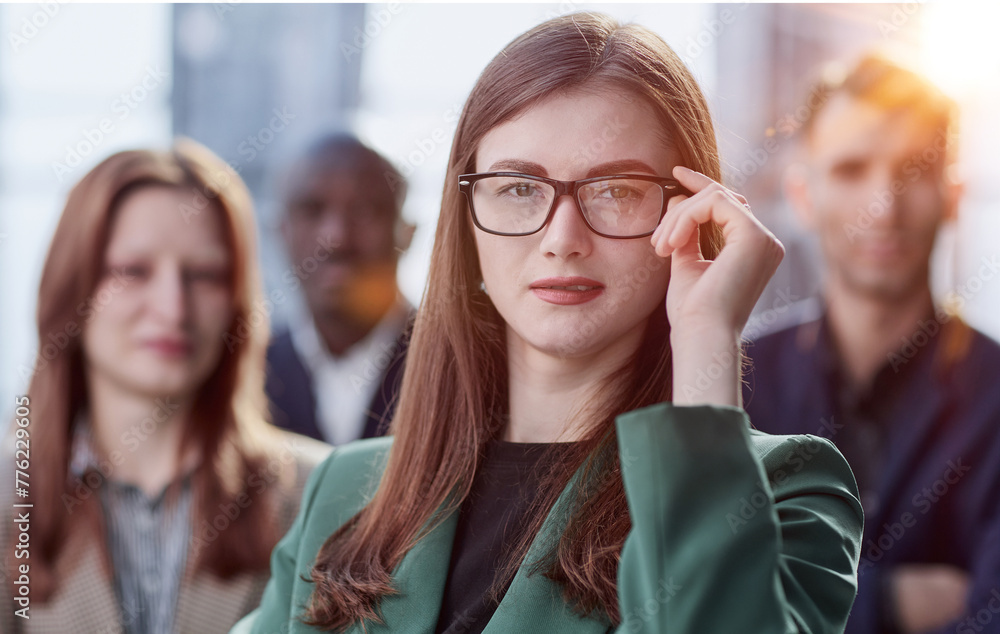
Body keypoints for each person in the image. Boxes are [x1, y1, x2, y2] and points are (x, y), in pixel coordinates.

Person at [235, 13, 863, 634]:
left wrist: (705, 337)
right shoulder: (344, 491)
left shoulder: (784, 491)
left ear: (691, 215)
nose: (563, 238)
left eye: (616, 189)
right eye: (517, 187)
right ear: (466, 218)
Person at [0, 140, 330, 633]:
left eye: (206, 275)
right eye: (133, 271)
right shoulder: (10, 494)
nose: (173, 308)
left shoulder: (324, 496)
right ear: (73, 290)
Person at [743, 54, 1000, 634]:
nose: (884, 206)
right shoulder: (738, 381)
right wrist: (886, 605)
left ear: (952, 194)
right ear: (803, 195)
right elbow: (705, 604)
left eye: (913, 169)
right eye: (851, 169)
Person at [266, 134, 416, 444]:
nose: (336, 238)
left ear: (406, 233)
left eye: (364, 211)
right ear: (281, 232)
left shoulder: (465, 365)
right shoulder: (244, 376)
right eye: (312, 210)